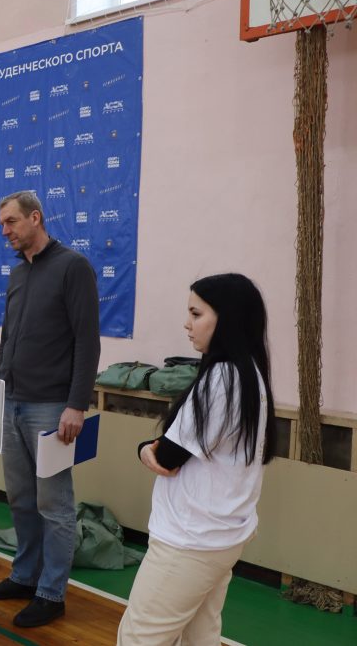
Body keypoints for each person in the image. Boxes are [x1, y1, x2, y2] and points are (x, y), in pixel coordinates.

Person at [118, 273, 276, 645]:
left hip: (190, 542)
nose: (187, 324)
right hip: (222, 537)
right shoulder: (249, 374)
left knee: (139, 637)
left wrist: (145, 448)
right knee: (200, 635)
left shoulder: (221, 378)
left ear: (227, 319)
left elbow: (168, 456)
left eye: (196, 314)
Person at [0, 191, 100, 628]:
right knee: (21, 499)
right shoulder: (17, 273)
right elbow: (7, 338)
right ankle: (24, 576)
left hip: (52, 409)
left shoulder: (73, 267)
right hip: (11, 402)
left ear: (36, 217)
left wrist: (76, 405)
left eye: (11, 222)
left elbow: (87, 340)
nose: (4, 231)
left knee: (55, 504)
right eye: (1, 224)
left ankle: (51, 594)